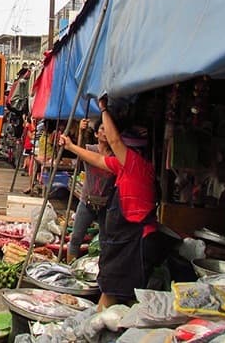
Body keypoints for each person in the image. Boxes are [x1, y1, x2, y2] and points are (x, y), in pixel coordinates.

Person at [58, 96, 164, 311]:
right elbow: (96, 159)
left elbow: (115, 142)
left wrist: (104, 109)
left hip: (134, 238)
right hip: (125, 237)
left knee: (115, 290)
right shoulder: (124, 166)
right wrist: (70, 145)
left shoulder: (135, 164)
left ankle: (101, 322)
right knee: (116, 288)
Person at [66, 118, 116, 264]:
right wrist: (81, 131)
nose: (105, 133)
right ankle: (69, 267)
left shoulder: (115, 156)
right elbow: (79, 150)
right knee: (76, 238)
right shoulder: (90, 150)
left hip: (106, 205)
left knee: (105, 241)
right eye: (102, 129)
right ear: (96, 134)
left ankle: (102, 269)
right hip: (87, 201)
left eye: (108, 130)